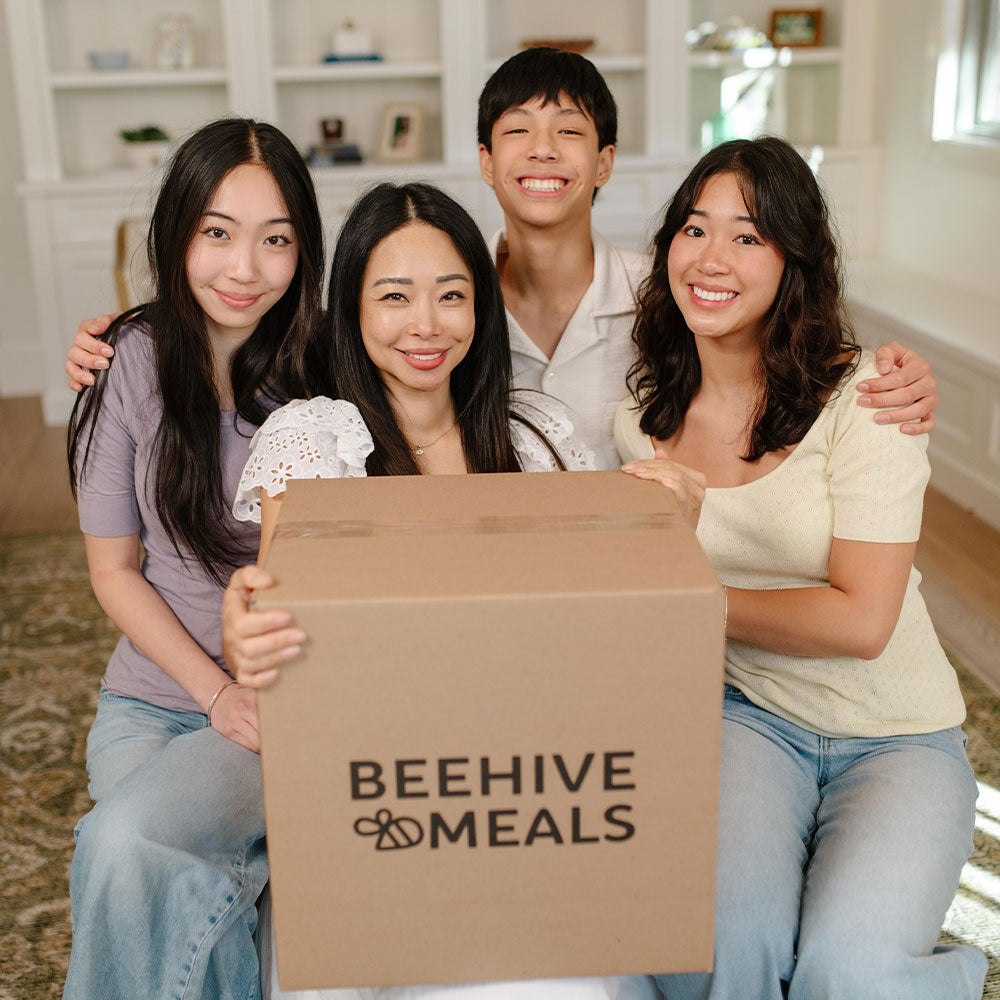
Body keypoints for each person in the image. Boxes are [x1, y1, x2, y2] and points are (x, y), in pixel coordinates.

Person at [67, 49, 941, 468]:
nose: (543, 150)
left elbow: (780, 352)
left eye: (570, 131)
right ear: (485, 162)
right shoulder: (433, 316)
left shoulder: (677, 290)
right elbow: (265, 350)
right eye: (516, 132)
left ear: (604, 161)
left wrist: (889, 375)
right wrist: (125, 340)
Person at [222, 180, 620, 1000]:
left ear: (481, 304)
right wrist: (247, 636)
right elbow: (279, 623)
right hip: (358, 793)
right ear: (352, 309)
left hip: (517, 789)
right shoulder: (314, 437)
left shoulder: (534, 435)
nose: (426, 325)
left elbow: (594, 621)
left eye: (451, 295)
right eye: (394, 296)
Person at [615, 137, 987, 1000]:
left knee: (846, 973)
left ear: (795, 260)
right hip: (750, 718)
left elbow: (862, 623)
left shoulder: (869, 399)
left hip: (898, 736)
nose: (711, 259)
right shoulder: (638, 422)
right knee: (726, 954)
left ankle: (947, 979)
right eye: (694, 230)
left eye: (748, 237)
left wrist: (697, 598)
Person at [64, 117, 326, 1000]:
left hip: (280, 701)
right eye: (217, 233)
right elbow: (114, 572)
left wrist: (245, 696)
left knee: (123, 849)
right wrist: (213, 694)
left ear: (304, 253)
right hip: (152, 700)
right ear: (177, 233)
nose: (243, 268)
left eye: (275, 239)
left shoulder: (325, 374)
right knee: (171, 883)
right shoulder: (125, 363)